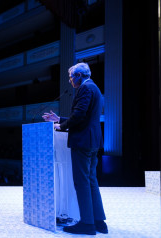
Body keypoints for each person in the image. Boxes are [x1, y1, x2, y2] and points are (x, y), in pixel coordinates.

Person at [42, 62, 107, 235]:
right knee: (91, 180)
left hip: (83, 142)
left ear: (79, 75)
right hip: (92, 142)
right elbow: (83, 116)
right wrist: (59, 119)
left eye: (71, 77)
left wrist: (60, 127)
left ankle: (87, 224)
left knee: (82, 182)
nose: (70, 81)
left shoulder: (85, 89)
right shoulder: (94, 88)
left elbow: (79, 116)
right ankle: (99, 222)